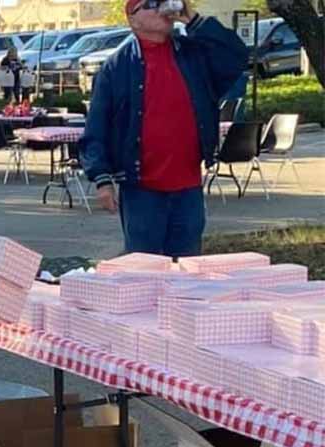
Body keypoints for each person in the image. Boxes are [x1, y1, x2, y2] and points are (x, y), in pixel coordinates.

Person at [80, 0, 248, 257]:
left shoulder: (193, 55)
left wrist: (194, 20)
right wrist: (101, 178)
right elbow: (96, 129)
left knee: (186, 272)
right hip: (141, 190)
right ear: (133, 19)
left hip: (188, 188)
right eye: (151, 4)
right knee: (145, 270)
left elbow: (236, 57)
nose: (161, 8)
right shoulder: (116, 68)